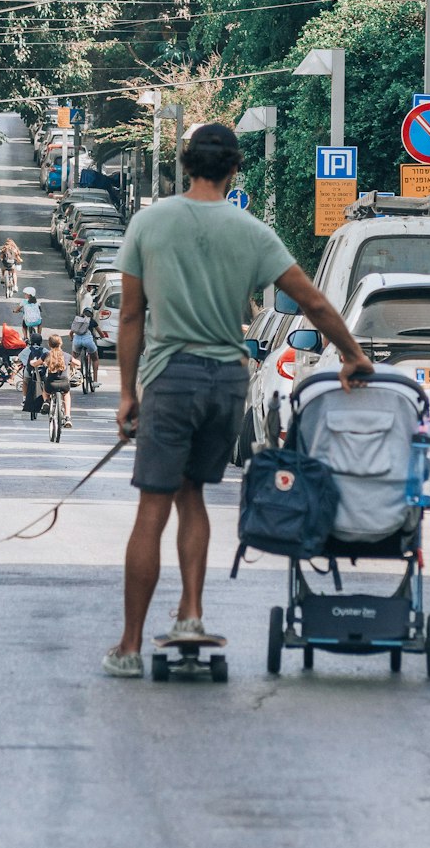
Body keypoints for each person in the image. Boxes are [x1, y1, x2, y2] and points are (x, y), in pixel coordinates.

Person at [102, 122, 374, 678]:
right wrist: (352, 354)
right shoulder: (252, 232)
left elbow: (130, 315)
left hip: (169, 378)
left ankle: (129, 646)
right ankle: (191, 614)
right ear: (234, 169)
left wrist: (128, 393)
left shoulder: (149, 223)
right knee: (193, 495)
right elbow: (314, 303)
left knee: (152, 507)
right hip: (226, 380)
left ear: (184, 164)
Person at [33, 334, 73, 428]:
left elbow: (35, 364)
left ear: (49, 344)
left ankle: (46, 401)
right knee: (66, 394)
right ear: (61, 343)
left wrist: (32, 362)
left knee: (45, 391)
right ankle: (67, 417)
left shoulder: (46, 355)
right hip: (64, 383)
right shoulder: (66, 355)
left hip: (51, 384)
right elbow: (78, 363)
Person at [69, 306, 102, 386]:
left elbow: (71, 333)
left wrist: (71, 338)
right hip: (88, 340)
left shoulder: (78, 321)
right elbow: (100, 332)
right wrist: (102, 336)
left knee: (73, 358)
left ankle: (72, 376)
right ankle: (95, 381)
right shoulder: (92, 321)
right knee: (95, 358)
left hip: (77, 340)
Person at [18, 330, 48, 410]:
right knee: (45, 383)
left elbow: (20, 357)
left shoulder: (27, 349)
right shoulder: (44, 350)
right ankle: (46, 399)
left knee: (25, 381)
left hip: (29, 371)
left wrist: (24, 362)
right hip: (41, 373)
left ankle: (24, 399)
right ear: (40, 341)